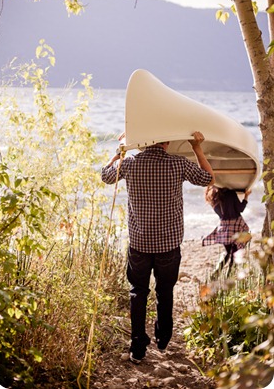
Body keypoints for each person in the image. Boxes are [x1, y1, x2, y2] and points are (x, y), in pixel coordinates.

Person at [101, 131, 214, 364]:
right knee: (165, 292)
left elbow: (105, 176)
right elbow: (208, 179)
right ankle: (163, 338)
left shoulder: (130, 163)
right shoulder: (178, 163)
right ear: (167, 140)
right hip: (169, 245)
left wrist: (119, 152)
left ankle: (138, 348)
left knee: (138, 293)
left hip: (140, 244)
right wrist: (196, 147)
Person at [202, 186, 252, 277]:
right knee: (235, 253)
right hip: (236, 225)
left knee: (227, 252)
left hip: (224, 227)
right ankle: (229, 276)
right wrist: (246, 196)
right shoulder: (231, 193)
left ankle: (217, 271)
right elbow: (240, 209)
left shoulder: (214, 197)